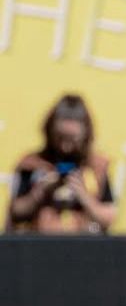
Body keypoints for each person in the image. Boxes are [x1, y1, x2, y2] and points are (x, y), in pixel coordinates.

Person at [6, 94, 117, 234]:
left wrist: (83, 195)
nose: (66, 147)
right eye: (60, 138)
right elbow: (15, 211)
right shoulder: (32, 164)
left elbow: (109, 216)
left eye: (73, 139)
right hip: (39, 246)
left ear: (86, 135)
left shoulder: (96, 166)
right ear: (50, 131)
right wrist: (40, 192)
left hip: (84, 247)